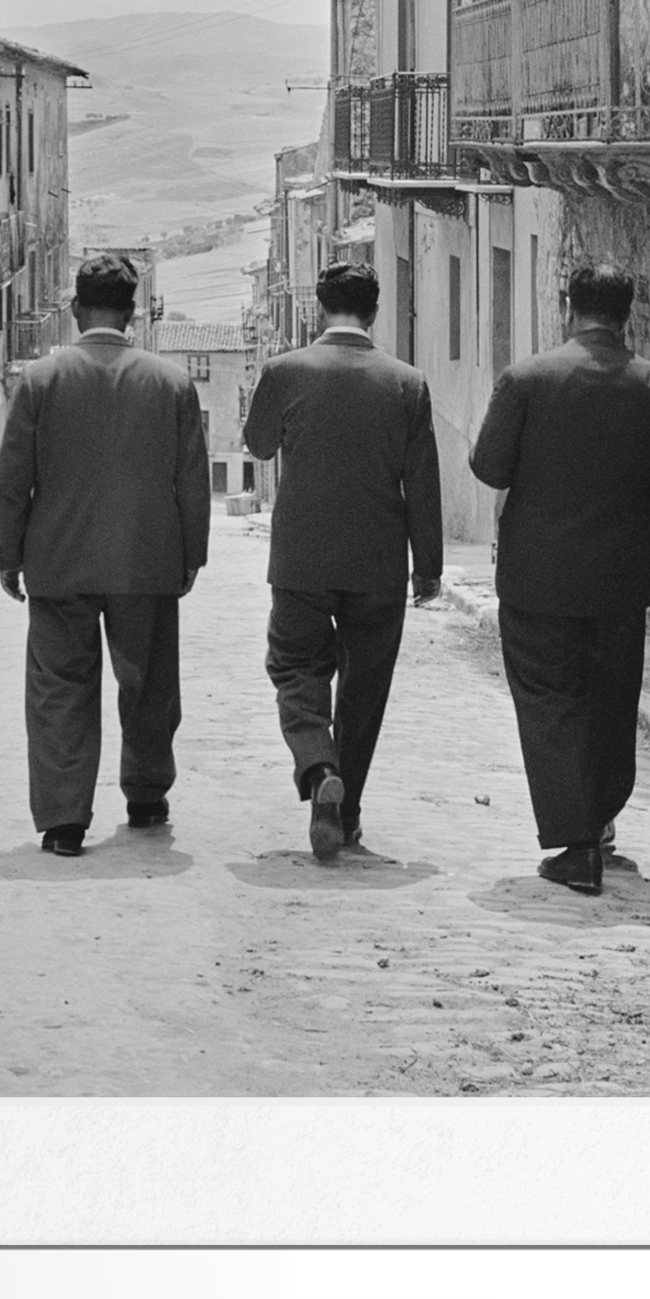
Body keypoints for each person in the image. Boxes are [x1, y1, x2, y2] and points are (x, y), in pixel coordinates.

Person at [467, 263, 650, 897]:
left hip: (539, 576)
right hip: (620, 577)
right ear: (628, 312)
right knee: (612, 700)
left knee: (548, 701)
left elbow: (488, 466)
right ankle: (603, 815)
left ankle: (576, 841)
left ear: (569, 305)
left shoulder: (526, 380)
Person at [0, 254, 211, 855]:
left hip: (58, 562)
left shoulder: (40, 380)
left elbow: (14, 478)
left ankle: (64, 820)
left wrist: (9, 555)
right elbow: (192, 479)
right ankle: (145, 795)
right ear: (133, 311)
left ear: (74, 309)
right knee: (148, 682)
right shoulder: (171, 382)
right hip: (146, 558)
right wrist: (192, 554)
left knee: (59, 686)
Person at [240, 261, 440, 861]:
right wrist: (426, 567)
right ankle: (345, 813)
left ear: (319, 309)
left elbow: (258, 444)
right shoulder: (407, 383)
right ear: (374, 311)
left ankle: (317, 764)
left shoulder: (283, 371)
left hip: (301, 558)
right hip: (378, 562)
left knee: (296, 667)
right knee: (365, 688)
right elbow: (423, 482)